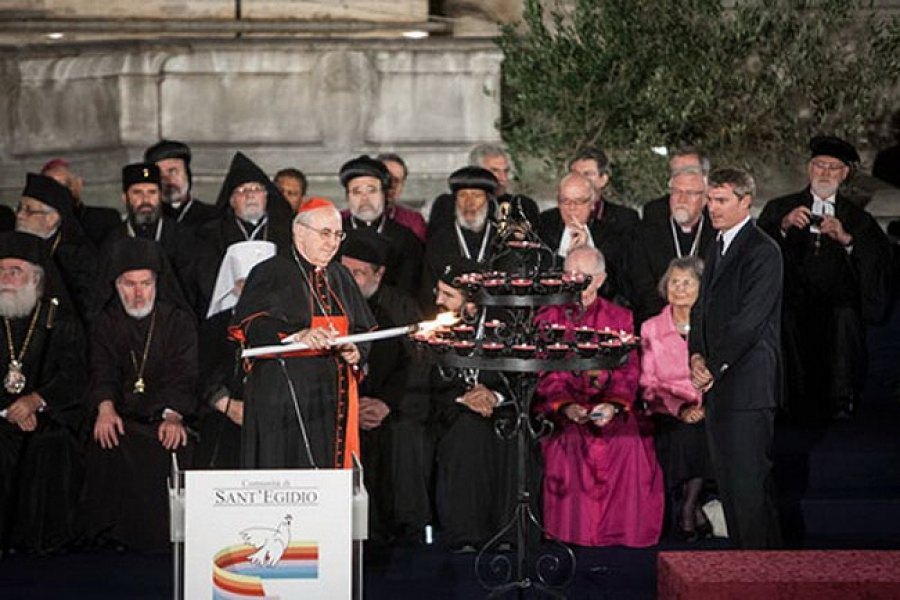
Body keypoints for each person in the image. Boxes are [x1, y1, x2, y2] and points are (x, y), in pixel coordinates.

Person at [231, 198, 375, 469]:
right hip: (284, 400)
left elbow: (364, 330)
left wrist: (356, 352)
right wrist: (297, 335)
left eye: (337, 234)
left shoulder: (341, 275)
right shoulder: (270, 272)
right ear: (299, 232)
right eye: (325, 233)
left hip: (335, 400)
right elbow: (252, 325)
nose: (332, 242)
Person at [534, 246, 663, 547]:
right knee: (569, 440)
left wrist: (613, 405)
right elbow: (546, 373)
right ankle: (574, 532)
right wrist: (566, 406)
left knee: (630, 441)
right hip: (563, 408)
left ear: (602, 279)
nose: (579, 284)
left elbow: (629, 371)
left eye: (587, 278)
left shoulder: (621, 317)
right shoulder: (547, 318)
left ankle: (621, 532)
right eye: (572, 276)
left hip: (611, 406)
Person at [757, 136, 891, 421]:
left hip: (837, 298)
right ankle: (789, 400)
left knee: (844, 315)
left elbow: (876, 261)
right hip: (792, 295)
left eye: (833, 168)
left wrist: (846, 240)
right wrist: (782, 226)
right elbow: (756, 248)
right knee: (786, 315)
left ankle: (840, 398)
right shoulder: (781, 208)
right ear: (809, 169)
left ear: (844, 174)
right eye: (820, 166)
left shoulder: (858, 218)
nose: (825, 173)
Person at [83, 237, 198, 552]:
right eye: (129, 284)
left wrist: (174, 415)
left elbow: (185, 374)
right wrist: (105, 409)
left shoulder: (177, 321)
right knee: (104, 439)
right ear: (116, 285)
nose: (138, 293)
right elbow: (100, 369)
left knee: (175, 445)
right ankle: (111, 538)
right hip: (121, 418)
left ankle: (164, 538)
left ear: (157, 283)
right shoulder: (106, 321)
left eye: (145, 283)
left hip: (165, 417)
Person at [689, 167, 782, 549]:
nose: (713, 208)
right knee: (731, 487)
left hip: (747, 388)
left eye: (722, 200)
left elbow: (748, 322)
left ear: (746, 202)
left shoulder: (763, 250)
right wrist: (695, 354)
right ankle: (752, 571)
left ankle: (764, 574)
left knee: (748, 488)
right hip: (720, 386)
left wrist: (712, 365)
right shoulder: (716, 245)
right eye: (711, 199)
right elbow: (701, 311)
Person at [0, 232, 86, 554]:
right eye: (1, 270)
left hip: (48, 414)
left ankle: (40, 542)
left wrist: (34, 402)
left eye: (15, 271)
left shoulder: (59, 318)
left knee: (52, 445)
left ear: (35, 278)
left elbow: (74, 373)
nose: (6, 278)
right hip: (3, 415)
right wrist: (9, 410)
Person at [340, 228, 425, 546]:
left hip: (392, 407)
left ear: (380, 273)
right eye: (345, 271)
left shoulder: (401, 306)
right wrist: (352, 406)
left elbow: (417, 364)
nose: (351, 280)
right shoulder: (328, 304)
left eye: (360, 273)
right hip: (344, 406)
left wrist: (386, 403)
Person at [428, 260, 517, 552]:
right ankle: (467, 535)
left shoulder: (505, 325)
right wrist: (462, 399)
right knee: (468, 432)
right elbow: (426, 386)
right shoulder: (435, 328)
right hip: (453, 412)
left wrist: (495, 397)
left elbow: (520, 378)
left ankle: (507, 534)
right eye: (438, 292)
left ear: (472, 301)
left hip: (502, 409)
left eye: (448, 295)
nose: (439, 301)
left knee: (508, 433)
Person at [640, 256, 714, 541]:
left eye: (687, 283)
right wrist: (680, 408)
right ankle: (690, 510)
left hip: (707, 406)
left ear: (701, 288)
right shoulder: (651, 328)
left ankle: (689, 506)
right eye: (674, 282)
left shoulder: (712, 325)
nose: (680, 289)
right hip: (666, 407)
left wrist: (704, 406)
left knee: (700, 427)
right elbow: (648, 384)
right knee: (686, 430)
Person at [194, 240, 276, 470]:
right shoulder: (213, 327)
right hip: (224, 423)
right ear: (234, 287)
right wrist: (227, 405)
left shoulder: (288, 324)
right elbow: (201, 374)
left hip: (276, 426)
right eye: (246, 284)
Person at [195, 152, 293, 314]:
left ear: (266, 196)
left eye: (256, 189)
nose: (250, 195)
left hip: (277, 311)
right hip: (228, 313)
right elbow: (206, 276)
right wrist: (232, 285)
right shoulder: (211, 233)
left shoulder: (286, 230)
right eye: (242, 191)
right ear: (232, 200)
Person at [102, 163, 197, 314]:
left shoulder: (183, 236)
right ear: (124, 197)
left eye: (152, 192)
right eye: (137, 193)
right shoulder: (112, 240)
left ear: (160, 196)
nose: (145, 199)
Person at [630, 166, 715, 325]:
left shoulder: (717, 235)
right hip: (657, 322)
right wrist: (670, 319)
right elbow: (641, 285)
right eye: (676, 192)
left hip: (707, 323)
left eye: (690, 193)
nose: (681, 200)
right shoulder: (647, 233)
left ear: (705, 200)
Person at [15, 172, 102, 324]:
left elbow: (87, 308)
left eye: (28, 210)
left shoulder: (79, 255)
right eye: (19, 208)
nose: (20, 216)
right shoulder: (12, 247)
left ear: (51, 219)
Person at [537, 171, 634, 302]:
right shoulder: (543, 229)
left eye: (579, 201)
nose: (572, 208)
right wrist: (566, 257)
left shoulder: (610, 236)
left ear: (592, 204)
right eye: (565, 201)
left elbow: (616, 288)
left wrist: (587, 249)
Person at [339, 155, 423, 296]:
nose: (364, 199)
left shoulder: (406, 240)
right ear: (348, 198)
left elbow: (411, 294)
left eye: (371, 190)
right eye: (357, 192)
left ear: (384, 194)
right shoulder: (333, 236)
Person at [422, 167, 500, 311]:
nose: (469, 203)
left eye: (476, 196)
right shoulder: (440, 239)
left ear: (488, 200)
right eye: (463, 195)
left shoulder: (501, 238)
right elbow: (428, 289)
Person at [426, 144, 540, 237]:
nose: (503, 178)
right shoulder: (448, 204)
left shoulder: (522, 205)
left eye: (505, 171)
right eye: (495, 171)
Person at [40, 158, 122, 247]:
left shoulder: (106, 219)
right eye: (51, 187)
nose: (59, 193)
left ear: (79, 184)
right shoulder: (36, 223)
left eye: (65, 185)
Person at [144, 139, 218, 229]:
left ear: (187, 174)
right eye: (160, 175)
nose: (167, 180)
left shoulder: (214, 217)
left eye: (173, 171)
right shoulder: (146, 219)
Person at [375, 152, 427, 243]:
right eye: (388, 178)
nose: (392, 185)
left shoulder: (413, 221)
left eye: (397, 181)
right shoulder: (344, 219)